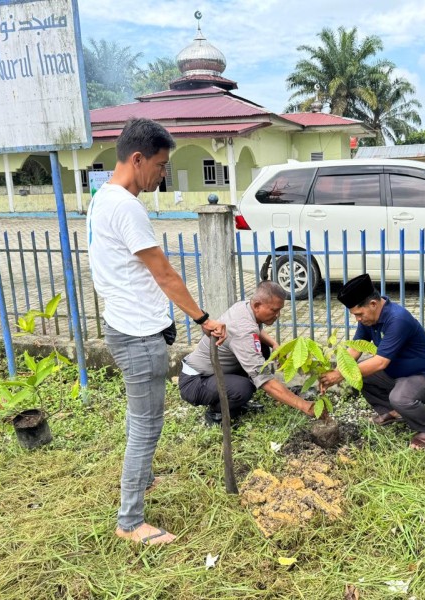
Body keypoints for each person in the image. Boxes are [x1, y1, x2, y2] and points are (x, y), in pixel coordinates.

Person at [87, 118, 226, 546]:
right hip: (137, 334)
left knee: (141, 420)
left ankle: (143, 481)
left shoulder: (102, 199)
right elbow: (164, 274)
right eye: (161, 165)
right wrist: (203, 319)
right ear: (136, 158)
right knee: (146, 426)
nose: (163, 174)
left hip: (124, 325)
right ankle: (130, 521)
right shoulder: (126, 207)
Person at [319, 274, 425, 450]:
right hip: (396, 373)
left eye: (359, 314)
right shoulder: (369, 319)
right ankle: (393, 412)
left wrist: (340, 375)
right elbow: (355, 349)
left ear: (373, 304)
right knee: (360, 377)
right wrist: (335, 372)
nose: (358, 319)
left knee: (399, 397)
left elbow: (380, 363)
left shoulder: (397, 319)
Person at [179, 281, 319, 422]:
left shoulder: (245, 307)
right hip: (196, 382)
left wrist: (275, 345)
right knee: (244, 388)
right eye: (274, 310)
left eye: (280, 310)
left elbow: (256, 330)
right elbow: (265, 381)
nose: (278, 315)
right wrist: (304, 406)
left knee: (262, 349)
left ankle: (235, 401)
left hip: (214, 372)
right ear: (257, 305)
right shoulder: (242, 331)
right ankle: (217, 414)